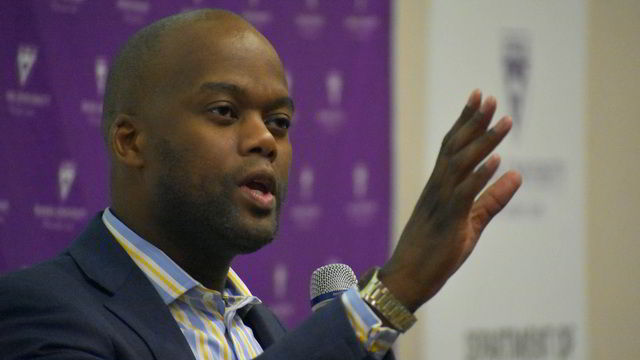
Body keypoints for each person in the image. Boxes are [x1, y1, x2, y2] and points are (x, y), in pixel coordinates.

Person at [0, 8, 522, 360]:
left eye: (279, 122)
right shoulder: (41, 310)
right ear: (131, 142)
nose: (264, 141)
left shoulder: (263, 331)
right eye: (225, 112)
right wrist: (384, 300)